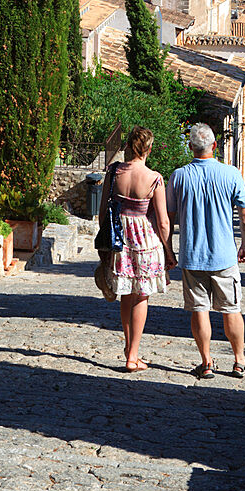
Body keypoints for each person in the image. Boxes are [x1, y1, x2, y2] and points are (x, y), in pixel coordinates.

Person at [166, 123, 245, 379]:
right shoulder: (231, 174)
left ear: (190, 147)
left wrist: (168, 250)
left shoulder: (179, 176)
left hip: (193, 255)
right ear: (214, 146)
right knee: (232, 309)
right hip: (224, 255)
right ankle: (239, 362)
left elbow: (168, 218)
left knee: (199, 310)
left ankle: (206, 363)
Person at [98, 126, 174, 372]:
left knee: (126, 293)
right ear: (149, 149)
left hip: (120, 238)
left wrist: (106, 245)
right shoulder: (154, 178)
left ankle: (129, 349)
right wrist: (169, 250)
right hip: (144, 241)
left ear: (128, 146)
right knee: (141, 295)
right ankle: (133, 356)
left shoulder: (114, 172)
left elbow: (102, 212)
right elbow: (163, 222)